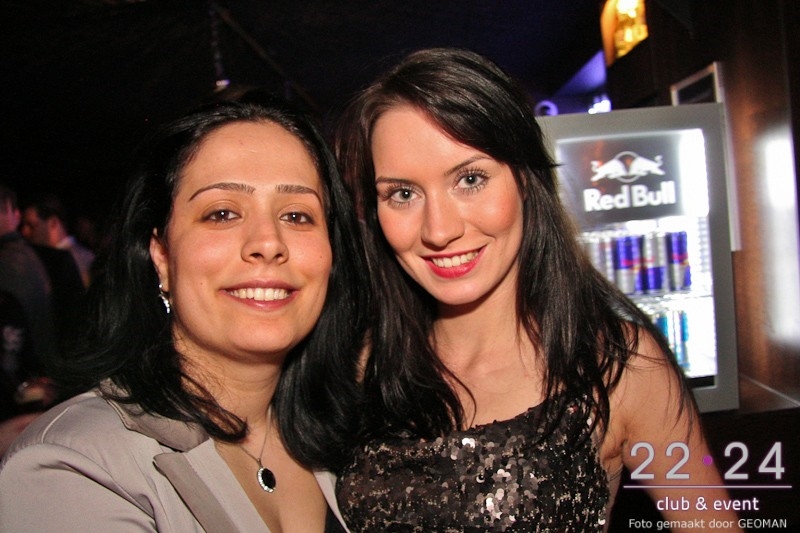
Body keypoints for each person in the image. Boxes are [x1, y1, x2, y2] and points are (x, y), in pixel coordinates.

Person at [333, 48, 739, 531]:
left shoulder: (620, 366)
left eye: (470, 179)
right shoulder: (360, 362)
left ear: (525, 180)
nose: (439, 230)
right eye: (403, 194)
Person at [0, 96, 367, 531]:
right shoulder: (75, 468)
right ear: (161, 256)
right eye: (223, 213)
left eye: (297, 215)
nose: (268, 242)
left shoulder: (346, 441)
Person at [0, 183, 59, 378]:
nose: (26, 231)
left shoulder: (8, 262)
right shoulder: (23, 256)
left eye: (32, 225)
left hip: (22, 378)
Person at [21, 196, 96, 288]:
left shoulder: (81, 259)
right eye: (23, 225)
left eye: (31, 225)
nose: (24, 232)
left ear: (53, 222)